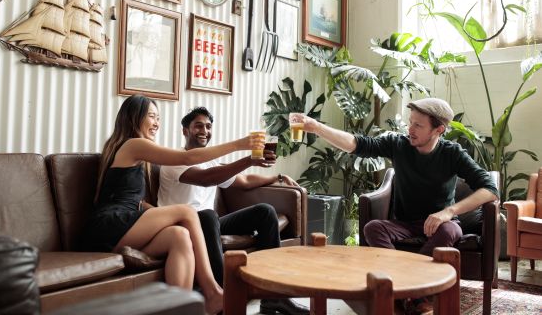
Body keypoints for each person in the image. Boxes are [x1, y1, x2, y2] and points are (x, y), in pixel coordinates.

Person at [298, 97, 499, 314]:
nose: (410, 129)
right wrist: (316, 127)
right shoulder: (398, 144)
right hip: (404, 224)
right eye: (410, 122)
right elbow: (357, 144)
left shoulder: (452, 153)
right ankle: (413, 294)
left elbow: (490, 190)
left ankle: (406, 293)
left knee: (451, 228)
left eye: (418, 125)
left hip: (439, 225)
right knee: (373, 228)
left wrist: (448, 212)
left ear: (438, 129)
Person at [81, 95, 261, 315]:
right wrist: (239, 145)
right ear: (133, 117)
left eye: (159, 118)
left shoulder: (128, 150)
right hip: (107, 227)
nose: (157, 122)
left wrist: (160, 216)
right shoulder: (133, 144)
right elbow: (187, 158)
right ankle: (213, 291)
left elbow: (134, 201)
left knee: (179, 236)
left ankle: (180, 308)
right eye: (151, 116)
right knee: (187, 212)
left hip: (120, 228)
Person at [158, 107, 310, 315]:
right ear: (185, 131)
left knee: (265, 212)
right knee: (208, 215)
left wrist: (278, 176)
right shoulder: (173, 160)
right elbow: (207, 179)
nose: (204, 130)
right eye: (198, 126)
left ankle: (272, 296)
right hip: (182, 225)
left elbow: (245, 181)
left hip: (209, 224)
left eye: (209, 126)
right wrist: (248, 159)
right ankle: (225, 296)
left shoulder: (210, 161)